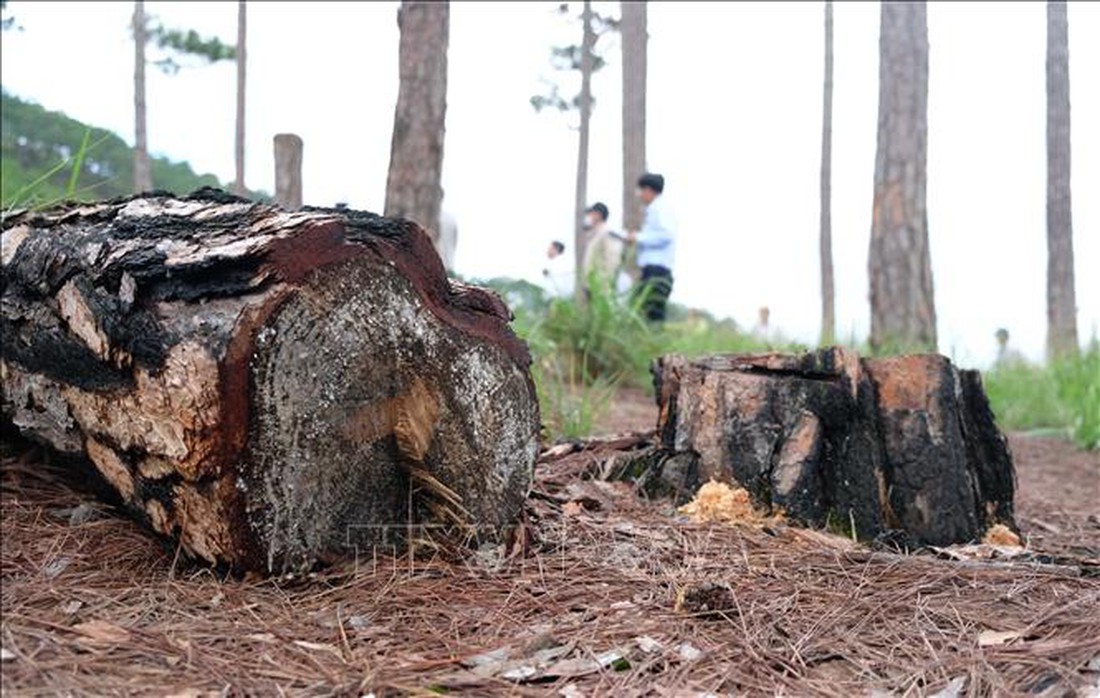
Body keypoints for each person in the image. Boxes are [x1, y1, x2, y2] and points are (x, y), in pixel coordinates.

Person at [627, 173, 676, 323]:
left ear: (649, 190)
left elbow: (666, 235)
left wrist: (639, 238)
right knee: (646, 312)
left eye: (641, 191)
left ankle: (654, 345)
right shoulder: (656, 209)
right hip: (653, 270)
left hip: (657, 270)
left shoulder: (659, 209)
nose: (640, 195)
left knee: (652, 315)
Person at [581, 202, 624, 297]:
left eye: (591, 214)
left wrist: (605, 282)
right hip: (591, 285)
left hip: (602, 286)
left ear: (598, 215)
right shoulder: (594, 235)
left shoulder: (607, 233)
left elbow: (613, 260)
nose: (589, 217)